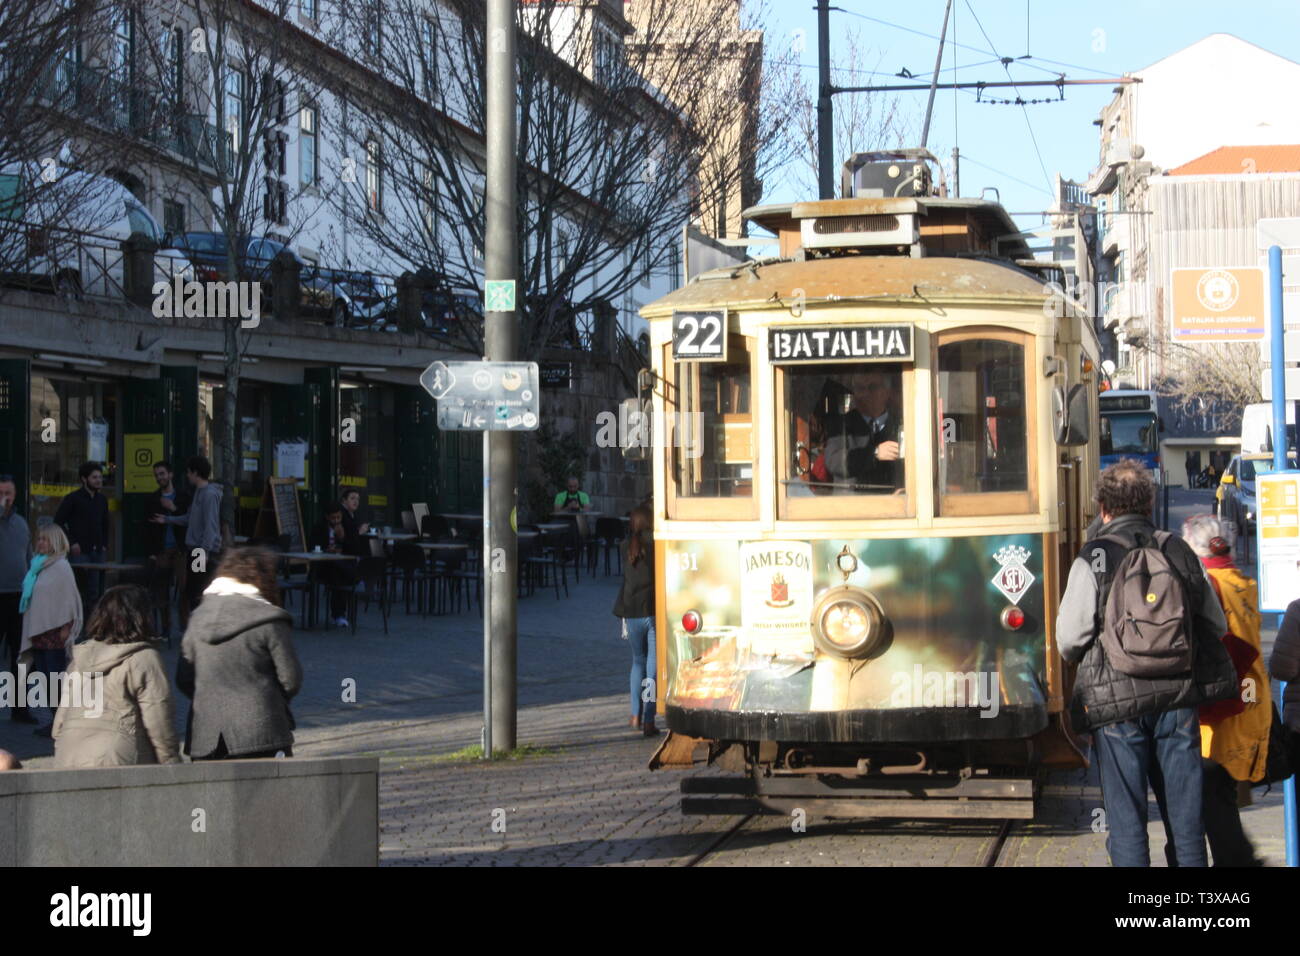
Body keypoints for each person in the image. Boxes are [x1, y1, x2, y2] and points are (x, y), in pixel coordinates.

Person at [1055, 459, 1236, 867]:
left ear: (1103, 507)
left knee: (1127, 821)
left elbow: (1070, 638)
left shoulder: (1094, 557)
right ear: (1150, 502)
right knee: (1186, 820)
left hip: (1115, 708)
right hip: (1177, 700)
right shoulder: (1176, 548)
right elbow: (1216, 624)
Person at [1177, 514, 1269, 866]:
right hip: (1250, 699)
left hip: (1219, 711)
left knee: (1211, 796)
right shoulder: (1243, 581)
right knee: (1222, 794)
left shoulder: (1207, 584)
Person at [176, 547, 302, 760]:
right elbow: (291, 680)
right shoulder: (270, 620)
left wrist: (210, 698)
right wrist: (269, 701)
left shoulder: (196, 619)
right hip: (263, 731)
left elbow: (184, 678)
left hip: (206, 736)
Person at [53, 585, 180, 768]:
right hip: (119, 760)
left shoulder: (78, 661)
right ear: (142, 617)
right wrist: (172, 765)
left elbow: (59, 725)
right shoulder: (143, 658)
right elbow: (159, 722)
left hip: (68, 757)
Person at [18, 523, 83, 737]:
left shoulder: (61, 567)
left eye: (44, 539)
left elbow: (69, 601)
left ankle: (62, 722)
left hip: (55, 634)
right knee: (45, 679)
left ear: (55, 541)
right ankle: (55, 720)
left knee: (54, 678)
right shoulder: (38, 566)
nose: (40, 543)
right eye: (39, 539)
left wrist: (66, 627)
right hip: (39, 634)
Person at [150, 455, 222, 612]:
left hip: (199, 550)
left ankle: (200, 631)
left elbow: (210, 526)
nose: (188, 476)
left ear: (196, 473)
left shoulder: (208, 494)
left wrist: (203, 552)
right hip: (195, 549)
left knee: (197, 593)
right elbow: (190, 518)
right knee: (193, 592)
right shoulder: (199, 492)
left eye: (189, 472)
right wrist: (168, 519)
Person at [818, 369, 903, 492]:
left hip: (895, 504)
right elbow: (833, 461)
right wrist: (875, 453)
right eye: (859, 388)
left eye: (872, 387)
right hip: (852, 506)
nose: (864, 394)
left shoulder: (901, 423)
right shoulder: (841, 424)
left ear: (887, 392)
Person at [613, 505, 656, 736]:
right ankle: (649, 719)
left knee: (637, 661)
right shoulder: (656, 545)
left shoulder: (624, 547)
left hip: (630, 612)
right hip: (652, 610)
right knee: (653, 667)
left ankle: (634, 714)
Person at [143, 460, 192, 639]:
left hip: (181, 550)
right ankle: (165, 629)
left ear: (170, 474)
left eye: (162, 474)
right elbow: (147, 528)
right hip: (162, 550)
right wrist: (152, 553)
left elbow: (191, 521)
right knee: (161, 590)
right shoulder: (153, 499)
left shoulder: (184, 497)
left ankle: (185, 628)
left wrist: (174, 508)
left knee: (185, 589)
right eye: (156, 475)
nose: (159, 478)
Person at [54, 461, 110, 613]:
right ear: (84, 479)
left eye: (100, 477)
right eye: (94, 477)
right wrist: (71, 543)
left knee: (96, 592)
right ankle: (79, 628)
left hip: (98, 551)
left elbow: (105, 524)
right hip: (80, 552)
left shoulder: (102, 500)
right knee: (80, 591)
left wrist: (104, 544)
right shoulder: (73, 498)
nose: (99, 480)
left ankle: (94, 626)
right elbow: (58, 522)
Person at [0, 474, 34, 723]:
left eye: (8, 493)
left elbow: (29, 557)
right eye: (0, 493)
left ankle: (19, 708)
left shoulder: (22, 523)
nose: (5, 498)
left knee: (20, 655)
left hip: (18, 598)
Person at [310, 502, 362, 628]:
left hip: (341, 565)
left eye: (339, 517)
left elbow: (355, 548)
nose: (337, 520)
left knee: (340, 575)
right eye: (333, 518)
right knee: (340, 574)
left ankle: (339, 614)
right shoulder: (319, 527)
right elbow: (312, 545)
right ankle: (339, 614)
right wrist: (326, 549)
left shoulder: (347, 526)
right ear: (327, 517)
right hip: (324, 565)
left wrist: (343, 538)